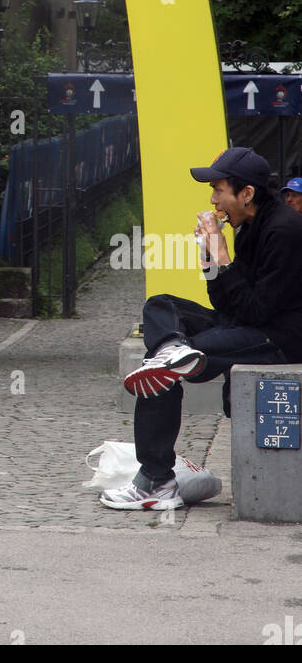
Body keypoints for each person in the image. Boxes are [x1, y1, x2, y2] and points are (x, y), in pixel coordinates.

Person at [100, 146, 302, 510]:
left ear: (247, 193)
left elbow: (257, 311)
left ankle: (156, 481)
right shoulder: (250, 227)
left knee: (160, 368)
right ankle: (173, 350)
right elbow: (226, 304)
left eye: (219, 190)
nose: (213, 199)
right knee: (160, 306)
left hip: (281, 339)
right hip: (251, 323)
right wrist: (209, 257)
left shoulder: (284, 230)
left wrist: (222, 257)